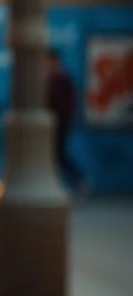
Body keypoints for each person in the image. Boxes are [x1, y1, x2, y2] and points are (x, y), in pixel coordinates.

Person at [46, 48, 88, 198]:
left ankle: (80, 181)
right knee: (55, 157)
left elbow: (68, 104)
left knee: (60, 156)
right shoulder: (51, 78)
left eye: (49, 60)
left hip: (60, 125)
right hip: (51, 125)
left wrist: (64, 122)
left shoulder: (62, 79)